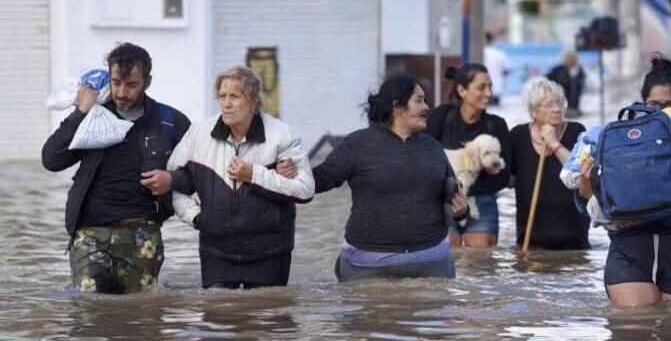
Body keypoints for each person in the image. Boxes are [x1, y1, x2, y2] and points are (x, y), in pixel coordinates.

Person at [41, 42, 191, 294]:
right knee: (92, 309)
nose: (122, 92)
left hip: (142, 231)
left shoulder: (169, 121)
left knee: (140, 316)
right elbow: (51, 159)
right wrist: (81, 112)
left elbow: (199, 175)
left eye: (131, 84)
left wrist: (172, 179)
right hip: (89, 232)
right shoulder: (93, 117)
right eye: (116, 82)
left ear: (148, 81)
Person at [576, 56, 671, 308]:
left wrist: (652, 215)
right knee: (633, 327)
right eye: (654, 104)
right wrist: (584, 193)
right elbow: (594, 198)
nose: (663, 112)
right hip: (630, 249)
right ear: (642, 103)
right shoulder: (621, 138)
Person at [166, 66, 315, 289]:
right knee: (219, 317)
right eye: (222, 96)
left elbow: (305, 189)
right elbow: (173, 183)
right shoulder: (198, 134)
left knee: (268, 320)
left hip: (271, 251)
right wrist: (197, 218)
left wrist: (253, 174)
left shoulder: (282, 134)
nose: (226, 103)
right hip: (216, 251)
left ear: (254, 103)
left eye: (235, 96)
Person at [311, 76, 467, 282]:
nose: (427, 106)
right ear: (397, 106)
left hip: (431, 262)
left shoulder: (433, 147)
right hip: (366, 264)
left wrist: (461, 211)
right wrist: (279, 172)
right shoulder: (357, 144)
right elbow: (315, 182)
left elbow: (454, 197)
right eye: (419, 100)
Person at [426, 63, 510, 247]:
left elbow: (503, 177)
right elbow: (424, 160)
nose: (488, 93)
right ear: (462, 90)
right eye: (481, 87)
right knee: (445, 260)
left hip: (483, 202)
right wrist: (452, 193)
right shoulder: (441, 116)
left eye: (490, 87)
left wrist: (467, 191)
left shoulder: (497, 125)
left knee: (481, 264)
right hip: (442, 202)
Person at [508, 78, 590, 250]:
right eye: (549, 104)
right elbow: (508, 179)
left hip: (574, 239)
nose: (557, 108)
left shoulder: (576, 131)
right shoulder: (518, 136)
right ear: (534, 110)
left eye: (560, 103)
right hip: (530, 239)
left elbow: (579, 171)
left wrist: (554, 144)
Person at [546, 50, 586, 118]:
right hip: (559, 105)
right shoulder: (557, 70)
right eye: (568, 57)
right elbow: (547, 81)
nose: (570, 59)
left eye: (572, 58)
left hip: (574, 106)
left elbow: (579, 89)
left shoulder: (579, 71)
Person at [483, 32, 511, 106]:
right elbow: (507, 70)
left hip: (481, 91)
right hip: (496, 89)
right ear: (492, 40)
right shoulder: (499, 54)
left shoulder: (478, 54)